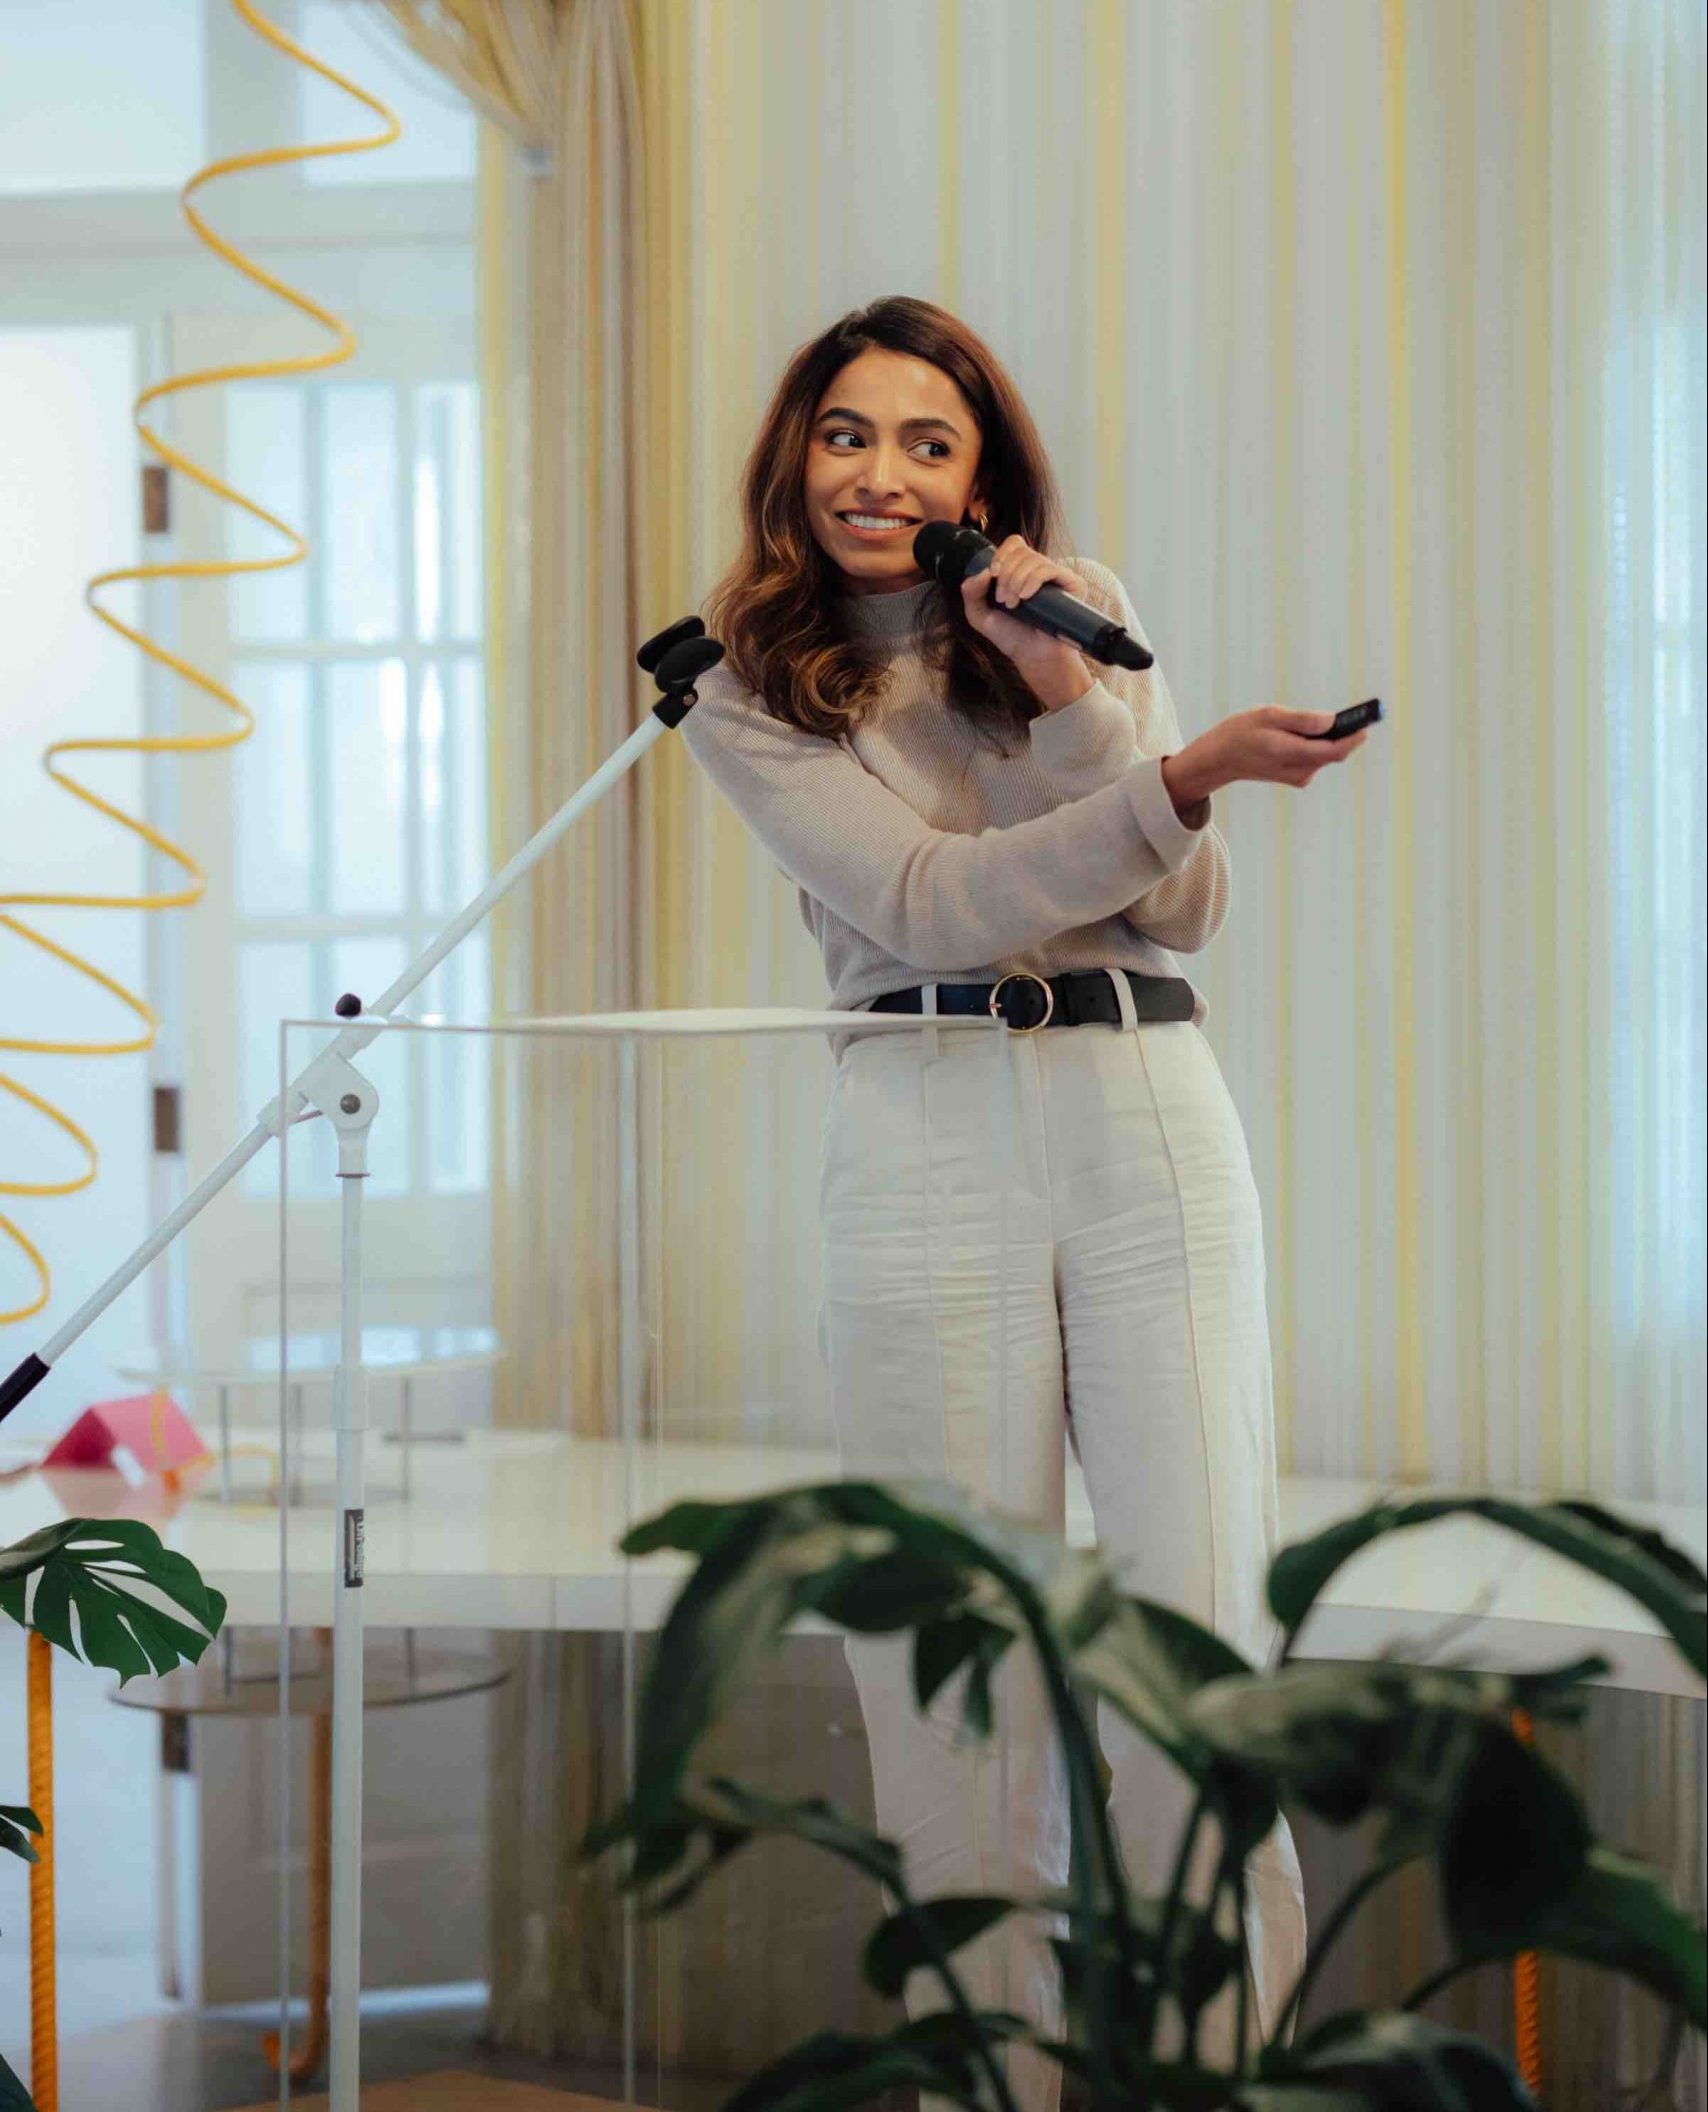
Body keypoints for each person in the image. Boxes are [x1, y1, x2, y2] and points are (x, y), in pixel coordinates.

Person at [682, 296, 1368, 2107]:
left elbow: (1184, 915)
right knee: (957, 1679)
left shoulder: (1076, 614)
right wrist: (1180, 779)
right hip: (922, 1134)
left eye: (928, 442)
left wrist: (1078, 700)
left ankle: (1214, 2082)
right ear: (795, 458)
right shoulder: (743, 685)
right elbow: (923, 902)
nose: (882, 475)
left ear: (983, 475)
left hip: (1148, 1110)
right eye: (847, 434)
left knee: (1196, 1640)